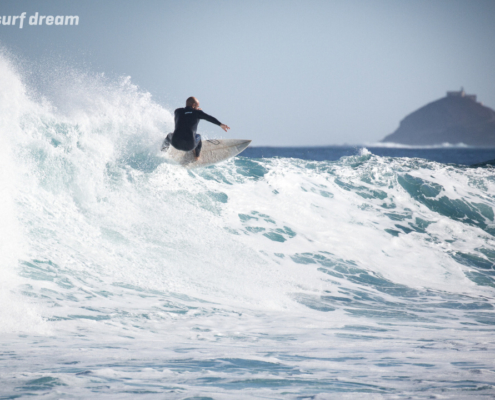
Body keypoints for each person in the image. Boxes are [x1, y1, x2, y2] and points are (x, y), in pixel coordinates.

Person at [161, 97, 230, 159]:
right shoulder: (197, 113)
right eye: (198, 106)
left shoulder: (177, 111)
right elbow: (209, 118)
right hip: (189, 146)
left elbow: (186, 112)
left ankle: (162, 151)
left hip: (175, 143)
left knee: (169, 135)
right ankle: (197, 156)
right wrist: (220, 124)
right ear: (194, 105)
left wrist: (195, 110)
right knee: (198, 136)